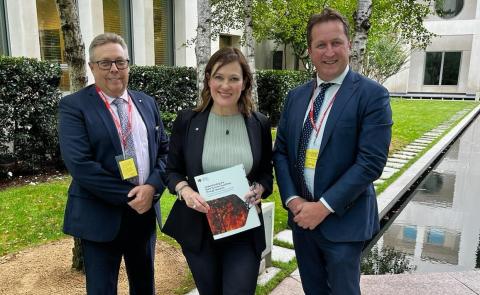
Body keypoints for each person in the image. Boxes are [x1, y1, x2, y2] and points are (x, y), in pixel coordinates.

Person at [273, 8, 393, 295]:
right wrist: (292, 201)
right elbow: (282, 153)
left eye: (336, 42)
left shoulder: (372, 95)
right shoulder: (296, 96)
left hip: (343, 222)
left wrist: (323, 208)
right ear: (310, 52)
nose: (329, 52)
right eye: (321, 45)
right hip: (302, 220)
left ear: (349, 45)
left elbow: (370, 163)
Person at [58, 32, 169, 294]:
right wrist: (131, 195)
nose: (114, 69)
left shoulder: (146, 102)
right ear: (91, 67)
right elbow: (80, 164)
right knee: (102, 289)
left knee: (144, 285)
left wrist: (152, 187)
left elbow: (165, 152)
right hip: (100, 216)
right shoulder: (74, 106)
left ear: (128, 64)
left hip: (143, 215)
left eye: (121, 62)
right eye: (105, 63)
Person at [161, 47, 273, 295]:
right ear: (209, 79)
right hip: (200, 227)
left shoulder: (259, 123)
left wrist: (260, 188)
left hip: (242, 226)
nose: (226, 85)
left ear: (244, 83)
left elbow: (266, 172)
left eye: (234, 78)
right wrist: (185, 192)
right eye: (219, 77)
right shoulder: (188, 121)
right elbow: (172, 171)